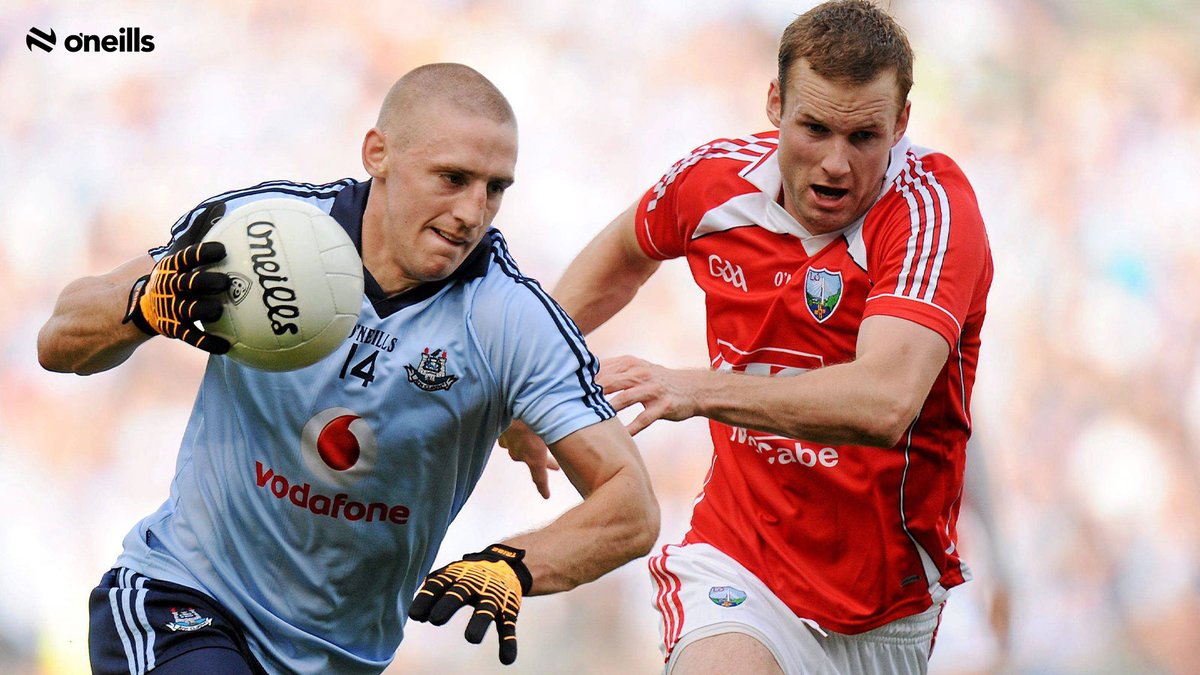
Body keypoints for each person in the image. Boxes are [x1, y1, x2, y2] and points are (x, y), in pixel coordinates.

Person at [37, 63, 659, 674]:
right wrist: (143, 306)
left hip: (344, 658)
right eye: (452, 177)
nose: (474, 211)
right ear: (377, 153)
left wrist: (515, 564)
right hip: (186, 598)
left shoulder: (513, 321)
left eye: (495, 188)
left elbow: (630, 504)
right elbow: (59, 339)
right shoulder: (265, 233)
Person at [501, 2, 994, 673]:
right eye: (814, 128)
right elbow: (625, 250)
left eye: (863, 137)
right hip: (740, 564)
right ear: (775, 104)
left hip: (887, 607)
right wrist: (530, 377)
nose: (835, 165)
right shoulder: (715, 182)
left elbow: (885, 401)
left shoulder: (930, 209)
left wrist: (693, 389)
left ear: (902, 124)